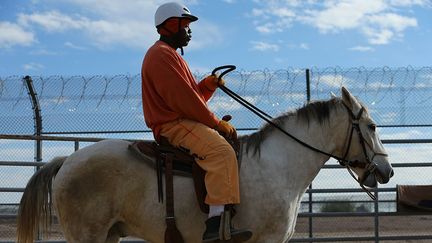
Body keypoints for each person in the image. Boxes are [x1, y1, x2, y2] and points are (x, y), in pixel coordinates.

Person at [141, 2, 252, 242]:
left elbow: (190, 96)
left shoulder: (168, 55)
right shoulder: (161, 55)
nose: (190, 32)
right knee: (222, 152)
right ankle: (214, 226)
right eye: (187, 26)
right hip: (172, 125)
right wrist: (216, 124)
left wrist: (206, 86)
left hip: (180, 119)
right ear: (172, 25)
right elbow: (185, 102)